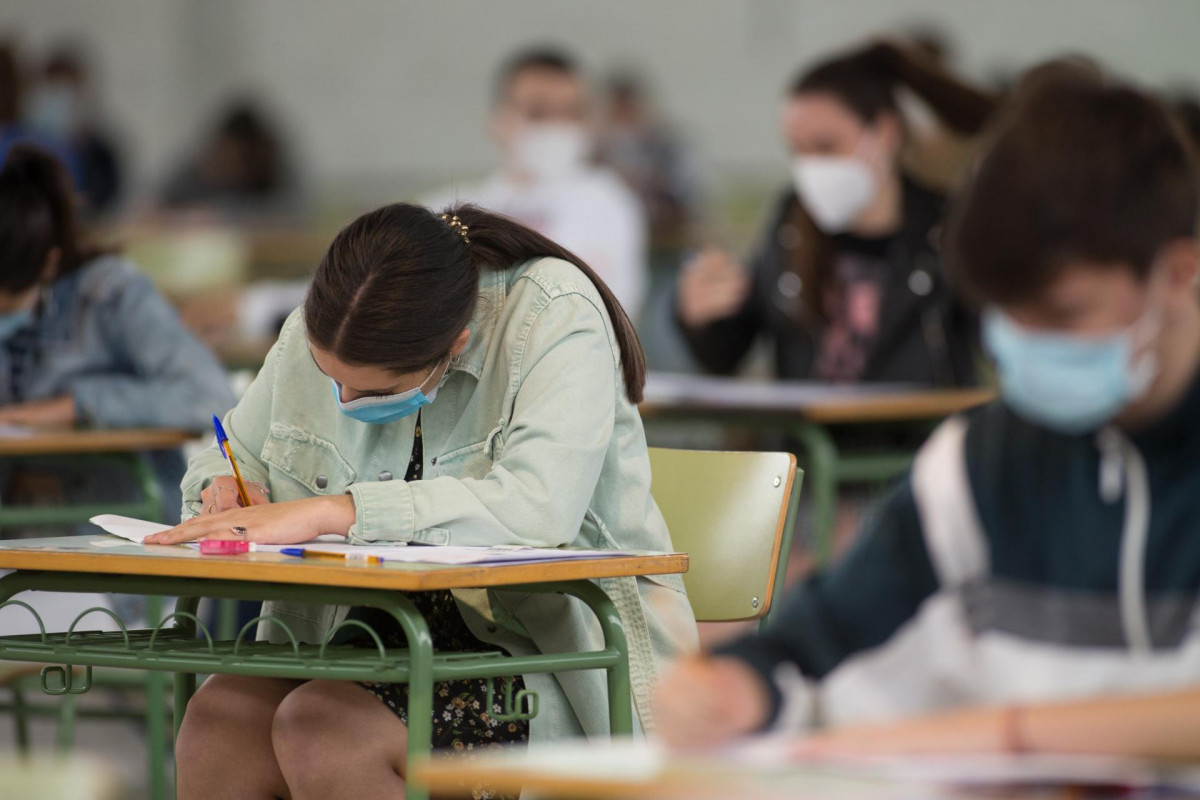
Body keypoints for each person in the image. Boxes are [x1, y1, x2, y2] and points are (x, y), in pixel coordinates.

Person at [653, 62, 1200, 750]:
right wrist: (737, 687)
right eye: (1009, 317)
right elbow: (818, 637)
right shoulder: (976, 467)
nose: (1029, 343)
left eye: (1064, 312)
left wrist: (1005, 736)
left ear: (1177, 274)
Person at [147, 203, 697, 798]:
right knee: (216, 724)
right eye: (331, 379)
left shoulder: (552, 312)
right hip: (369, 640)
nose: (345, 397)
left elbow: (541, 507)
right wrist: (221, 489)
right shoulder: (336, 319)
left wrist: (339, 510)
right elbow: (236, 451)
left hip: (547, 657)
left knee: (325, 731)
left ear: (455, 344)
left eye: (375, 390)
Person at [676, 42, 994, 387]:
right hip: (806, 440)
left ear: (884, 132)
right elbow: (727, 352)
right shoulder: (790, 223)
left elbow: (996, 337)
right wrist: (701, 317)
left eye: (825, 147)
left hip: (918, 438)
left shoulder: (947, 229)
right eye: (797, 150)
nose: (811, 168)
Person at [0, 145, 235, 524]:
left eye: (7, 305)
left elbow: (209, 397)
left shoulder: (112, 294)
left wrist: (79, 406)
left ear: (48, 264)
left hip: (109, 514)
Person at [426, 47, 648, 319]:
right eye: (538, 112)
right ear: (499, 120)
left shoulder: (608, 202)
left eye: (571, 112)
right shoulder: (447, 209)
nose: (557, 125)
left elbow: (607, 310)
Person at [598, 70, 699, 246]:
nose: (623, 121)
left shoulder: (665, 146)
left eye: (628, 110)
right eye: (617, 112)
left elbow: (687, 193)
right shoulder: (597, 149)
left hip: (662, 240)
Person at [24, 43, 124, 214]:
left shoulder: (101, 155)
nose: (59, 104)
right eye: (53, 92)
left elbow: (103, 205)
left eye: (67, 93)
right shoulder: (21, 150)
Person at [159, 99, 297, 218]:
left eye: (233, 159)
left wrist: (218, 215)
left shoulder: (274, 178)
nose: (225, 162)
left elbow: (286, 215)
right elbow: (157, 204)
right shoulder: (193, 171)